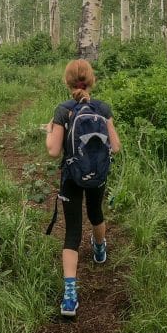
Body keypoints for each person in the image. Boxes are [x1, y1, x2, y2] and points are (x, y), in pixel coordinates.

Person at [44, 59, 122, 317]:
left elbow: (54, 151)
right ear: (92, 80)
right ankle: (100, 249)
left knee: (72, 233)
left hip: (72, 177)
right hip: (97, 174)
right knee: (96, 212)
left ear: (67, 83)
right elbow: (116, 147)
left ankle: (69, 297)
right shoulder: (102, 108)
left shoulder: (62, 110)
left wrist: (49, 132)